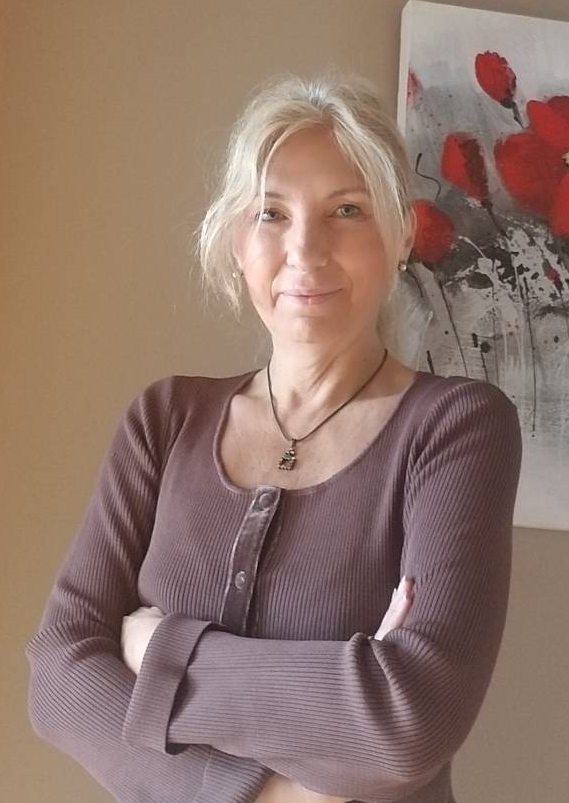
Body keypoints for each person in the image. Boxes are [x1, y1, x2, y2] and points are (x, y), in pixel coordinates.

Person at [27, 73, 522, 803]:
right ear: (237, 240)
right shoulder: (165, 419)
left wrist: (157, 650)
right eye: (271, 213)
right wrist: (272, 790)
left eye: (347, 210)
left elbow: (407, 721)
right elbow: (58, 678)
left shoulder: (457, 428)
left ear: (401, 233)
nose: (305, 249)